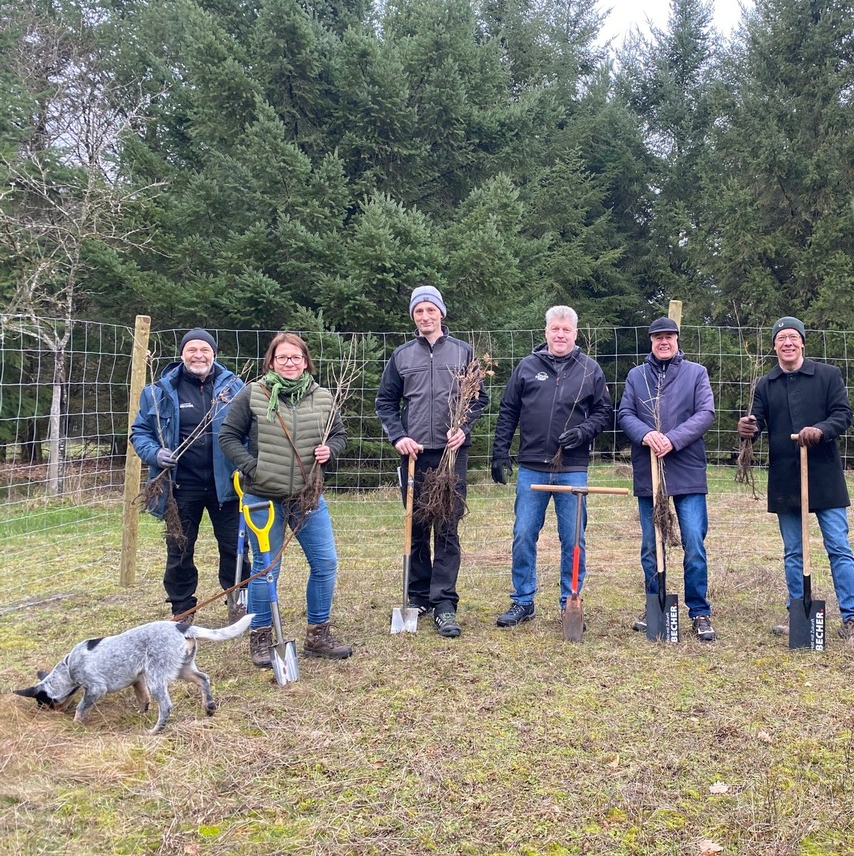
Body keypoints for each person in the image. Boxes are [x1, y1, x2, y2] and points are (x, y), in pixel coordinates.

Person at [218, 332, 353, 667]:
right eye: (282, 358)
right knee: (266, 570)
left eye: (296, 358)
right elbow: (228, 436)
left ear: (306, 361)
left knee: (326, 563)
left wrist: (330, 450)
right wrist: (253, 468)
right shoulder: (254, 393)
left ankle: (318, 634)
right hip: (263, 498)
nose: (290, 363)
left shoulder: (321, 396)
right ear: (272, 361)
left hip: (308, 497)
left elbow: (338, 435)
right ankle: (261, 638)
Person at [737, 317, 854, 652]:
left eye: (793, 337)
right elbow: (758, 421)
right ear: (775, 346)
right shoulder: (766, 384)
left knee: (838, 546)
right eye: (781, 339)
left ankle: (852, 620)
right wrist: (748, 427)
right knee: (794, 551)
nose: (788, 343)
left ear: (803, 343)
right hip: (786, 475)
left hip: (824, 474)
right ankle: (799, 611)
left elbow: (844, 414)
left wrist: (820, 430)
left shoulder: (827, 375)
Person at [375, 285, 489, 638]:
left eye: (430, 310)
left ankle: (444, 603)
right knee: (416, 527)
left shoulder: (462, 352)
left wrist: (463, 429)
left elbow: (479, 399)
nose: (425, 316)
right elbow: (385, 402)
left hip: (451, 455)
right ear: (413, 316)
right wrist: (399, 436)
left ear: (442, 313)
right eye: (418, 311)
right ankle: (419, 595)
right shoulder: (402, 356)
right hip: (415, 455)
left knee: (448, 527)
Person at [491, 306, 613, 627]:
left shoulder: (590, 370)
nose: (560, 335)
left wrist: (583, 432)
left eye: (566, 330)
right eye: (555, 329)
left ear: (575, 333)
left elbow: (604, 412)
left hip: (572, 467)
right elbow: (508, 411)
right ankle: (523, 600)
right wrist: (499, 451)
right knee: (523, 533)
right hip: (532, 466)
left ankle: (569, 602)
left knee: (573, 538)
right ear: (546, 332)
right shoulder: (527, 367)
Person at [130, 328, 247, 624]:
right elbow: (139, 432)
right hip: (180, 487)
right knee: (180, 549)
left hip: (228, 487)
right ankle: (182, 609)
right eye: (192, 350)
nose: (198, 355)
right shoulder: (158, 392)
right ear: (182, 354)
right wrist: (155, 454)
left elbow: (251, 431)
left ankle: (239, 602)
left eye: (204, 350)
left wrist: (245, 463)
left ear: (214, 354)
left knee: (236, 547)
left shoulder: (236, 388)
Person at [618, 317, 716, 641]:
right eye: (658, 337)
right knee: (651, 544)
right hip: (649, 469)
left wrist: (672, 439)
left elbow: (705, 413)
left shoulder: (695, 374)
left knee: (693, 542)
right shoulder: (636, 376)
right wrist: (647, 434)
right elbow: (625, 414)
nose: (664, 342)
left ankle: (699, 612)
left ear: (677, 340)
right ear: (651, 341)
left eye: (669, 337)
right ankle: (655, 604)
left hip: (686, 467)